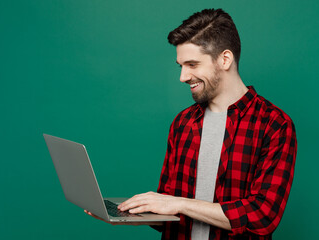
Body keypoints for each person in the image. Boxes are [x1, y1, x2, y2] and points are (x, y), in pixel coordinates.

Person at [87, 8, 297, 240]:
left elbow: (262, 216)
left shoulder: (274, 124)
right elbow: (169, 207)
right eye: (181, 66)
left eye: (193, 65)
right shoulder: (183, 123)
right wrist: (128, 214)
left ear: (224, 59)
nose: (183, 77)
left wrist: (179, 204)